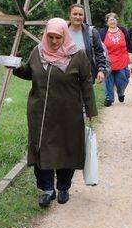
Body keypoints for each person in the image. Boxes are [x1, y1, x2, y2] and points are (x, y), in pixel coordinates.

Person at [12, 18, 97, 207]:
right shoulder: (38, 52)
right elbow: (30, 72)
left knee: (67, 149)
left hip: (69, 113)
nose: (53, 41)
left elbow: (86, 83)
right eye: (50, 37)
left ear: (64, 35)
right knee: (42, 149)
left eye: (58, 37)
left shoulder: (77, 56)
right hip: (40, 113)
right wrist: (17, 68)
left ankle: (64, 187)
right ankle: (47, 189)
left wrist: (91, 109)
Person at [67, 3, 108, 84]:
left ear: (84, 16)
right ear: (69, 15)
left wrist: (101, 70)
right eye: (75, 14)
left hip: (86, 77)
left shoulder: (91, 32)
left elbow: (99, 52)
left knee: (86, 97)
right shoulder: (62, 31)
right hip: (66, 76)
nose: (78, 17)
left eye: (80, 14)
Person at [100, 12, 132, 107]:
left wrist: (130, 53)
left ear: (117, 20)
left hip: (122, 59)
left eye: (114, 19)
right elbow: (99, 46)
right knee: (108, 81)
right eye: (110, 19)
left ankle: (120, 92)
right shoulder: (103, 32)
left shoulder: (123, 30)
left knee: (122, 80)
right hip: (108, 61)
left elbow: (128, 43)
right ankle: (109, 98)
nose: (112, 21)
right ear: (107, 22)